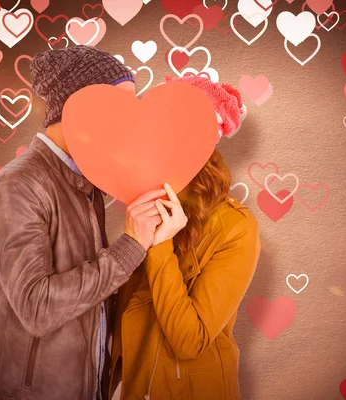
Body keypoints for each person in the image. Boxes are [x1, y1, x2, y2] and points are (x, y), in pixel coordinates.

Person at [0, 45, 167, 400]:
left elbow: (92, 294)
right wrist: (130, 247)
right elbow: (37, 308)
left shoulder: (85, 184)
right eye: (118, 109)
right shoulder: (17, 186)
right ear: (80, 109)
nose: (128, 124)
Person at [109, 75, 262, 400]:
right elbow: (123, 316)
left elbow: (188, 340)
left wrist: (161, 244)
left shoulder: (236, 227)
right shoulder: (145, 204)